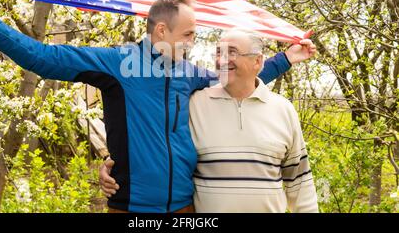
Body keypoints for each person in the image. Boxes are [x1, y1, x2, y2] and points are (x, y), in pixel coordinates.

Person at [0, 0, 316, 212]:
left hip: (187, 212)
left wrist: (285, 58)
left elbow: (237, 79)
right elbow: (43, 59)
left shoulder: (188, 74)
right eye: (189, 34)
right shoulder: (116, 64)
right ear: (162, 30)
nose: (193, 42)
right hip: (132, 210)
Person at [102, 29, 319, 213]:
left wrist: (286, 58)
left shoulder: (283, 110)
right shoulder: (194, 104)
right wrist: (115, 162)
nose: (221, 60)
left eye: (231, 52)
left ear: (258, 61)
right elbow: (154, 139)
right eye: (218, 53)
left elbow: (299, 183)